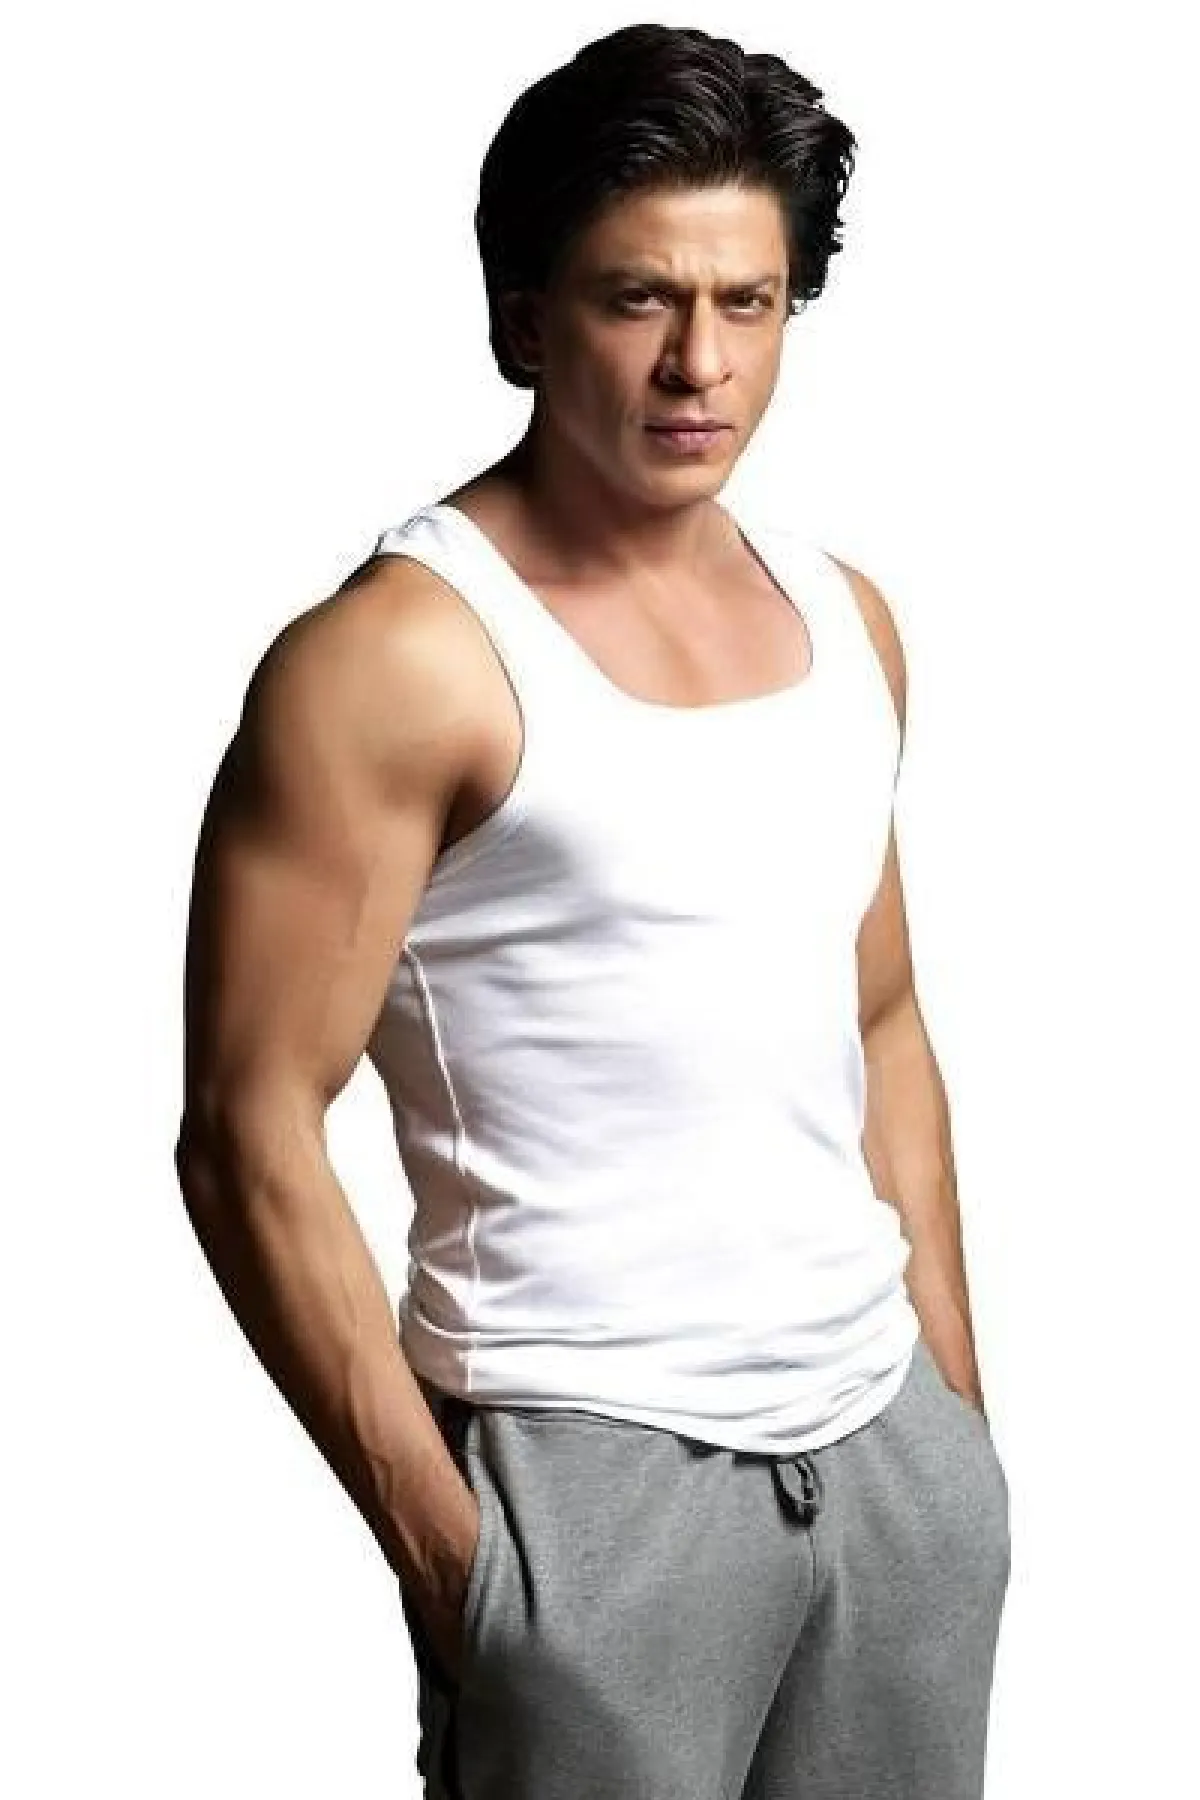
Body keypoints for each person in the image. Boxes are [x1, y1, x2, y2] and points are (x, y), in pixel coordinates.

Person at [174, 23, 1010, 1800]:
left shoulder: (848, 619)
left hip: (886, 1463)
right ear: (525, 319)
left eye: (748, 303)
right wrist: (465, 1569)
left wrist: (955, 1413)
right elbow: (247, 1132)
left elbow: (880, 1020)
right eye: (641, 299)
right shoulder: (395, 662)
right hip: (586, 1475)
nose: (700, 362)